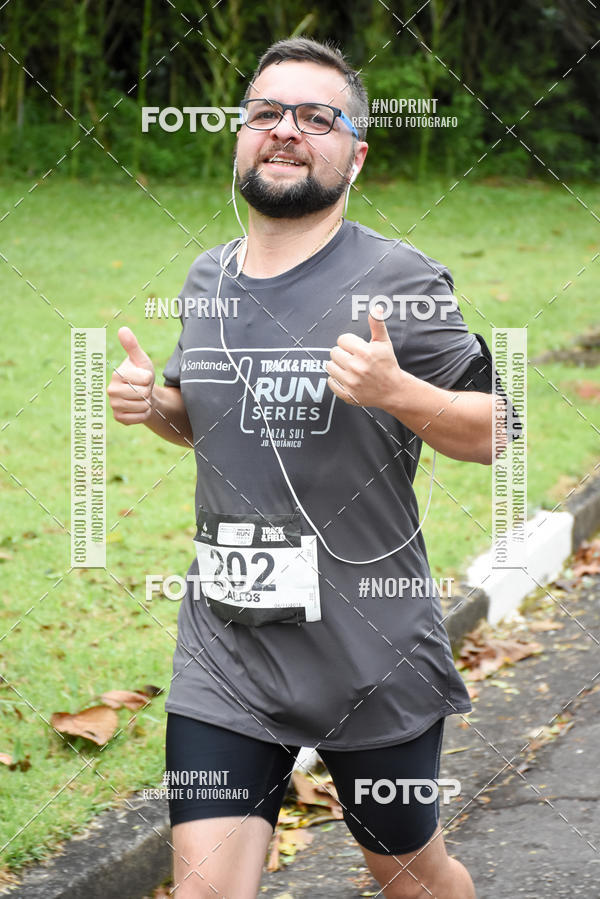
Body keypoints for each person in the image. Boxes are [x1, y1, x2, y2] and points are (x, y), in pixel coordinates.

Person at [107, 36, 507, 899]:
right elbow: (207, 424)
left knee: (413, 877)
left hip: (368, 652)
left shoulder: (398, 278)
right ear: (240, 138)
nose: (286, 130)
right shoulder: (207, 278)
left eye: (317, 118)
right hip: (227, 649)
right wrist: (154, 406)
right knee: (207, 890)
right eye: (266, 112)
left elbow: (497, 431)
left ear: (355, 156)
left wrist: (399, 391)